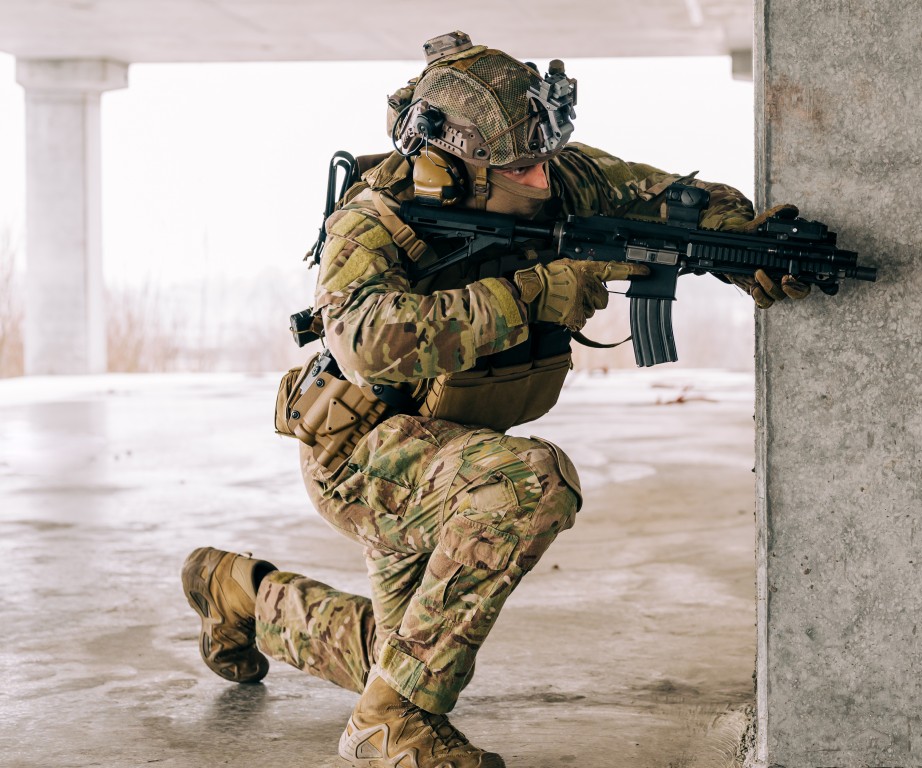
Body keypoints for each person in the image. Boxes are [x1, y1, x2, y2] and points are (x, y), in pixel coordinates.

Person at [181, 31, 808, 768]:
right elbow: (367, 339)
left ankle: (238, 593)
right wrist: (534, 293)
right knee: (527, 484)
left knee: (401, 654)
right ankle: (390, 728)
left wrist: (740, 244)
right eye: (517, 168)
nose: (541, 179)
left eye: (542, 157)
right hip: (364, 454)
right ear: (452, 163)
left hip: (448, 441)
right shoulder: (375, 219)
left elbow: (669, 200)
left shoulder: (556, 174)